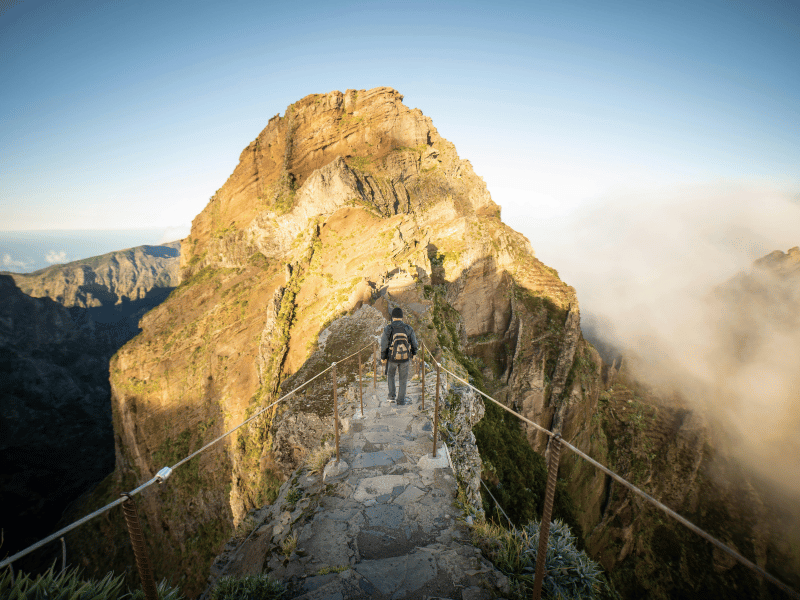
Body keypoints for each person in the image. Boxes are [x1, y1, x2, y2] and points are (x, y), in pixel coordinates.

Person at [380, 307, 419, 405]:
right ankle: (401, 400)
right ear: (402, 317)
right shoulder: (408, 328)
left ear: (392, 317)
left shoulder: (388, 328)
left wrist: (383, 357)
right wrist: (414, 354)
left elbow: (383, 344)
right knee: (403, 378)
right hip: (405, 358)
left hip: (392, 357)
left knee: (391, 376)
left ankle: (391, 397)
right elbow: (414, 343)